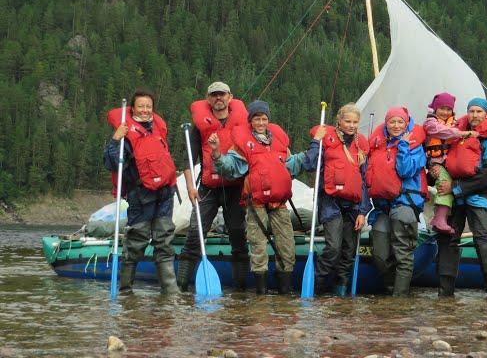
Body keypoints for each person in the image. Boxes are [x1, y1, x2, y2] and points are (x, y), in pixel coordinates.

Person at [209, 100, 324, 294]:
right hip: (256, 204)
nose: (261, 122)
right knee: (258, 246)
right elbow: (228, 167)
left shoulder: (278, 142)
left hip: (279, 203)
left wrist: (314, 146)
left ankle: (284, 291)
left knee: (286, 245)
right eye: (256, 119)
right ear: (251, 121)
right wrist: (215, 152)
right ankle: (261, 293)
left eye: (264, 118)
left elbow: (292, 165)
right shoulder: (242, 145)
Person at [176, 82, 250, 292]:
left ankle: (241, 292)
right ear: (208, 99)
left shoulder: (242, 124)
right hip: (208, 187)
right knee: (194, 236)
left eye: (222, 95)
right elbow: (187, 160)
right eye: (214, 95)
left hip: (235, 187)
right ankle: (182, 289)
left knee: (238, 236)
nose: (219, 98)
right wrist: (191, 188)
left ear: (230, 97)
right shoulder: (200, 126)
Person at [104, 90, 179, 294]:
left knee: (164, 242)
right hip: (140, 195)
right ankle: (126, 290)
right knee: (137, 243)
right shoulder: (125, 133)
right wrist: (115, 140)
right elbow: (110, 162)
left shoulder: (158, 130)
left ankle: (170, 292)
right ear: (133, 109)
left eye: (149, 107)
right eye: (141, 106)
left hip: (164, 194)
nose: (145, 110)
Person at [435, 97, 487, 299]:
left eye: (478, 111)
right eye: (471, 111)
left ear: (486, 114)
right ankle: (445, 293)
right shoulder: (461, 137)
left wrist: (455, 188)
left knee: (481, 240)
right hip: (457, 200)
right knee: (448, 239)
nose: (474, 115)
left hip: (478, 200)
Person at [303, 103, 369, 296]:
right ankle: (316, 290)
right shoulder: (326, 139)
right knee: (333, 249)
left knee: (348, 252)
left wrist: (363, 212)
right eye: (347, 121)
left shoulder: (360, 146)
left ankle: (340, 293)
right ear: (339, 121)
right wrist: (316, 141)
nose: (351, 125)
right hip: (330, 202)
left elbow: (364, 181)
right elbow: (309, 164)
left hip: (353, 206)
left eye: (355, 122)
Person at [364, 106, 428, 296]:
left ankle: (399, 300)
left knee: (403, 253)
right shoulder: (378, 147)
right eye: (392, 121)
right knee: (380, 255)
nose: (396, 125)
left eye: (400, 121)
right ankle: (391, 290)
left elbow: (405, 170)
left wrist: (402, 147)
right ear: (386, 123)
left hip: (405, 204)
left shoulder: (415, 147)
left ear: (407, 123)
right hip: (383, 207)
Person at [423, 92, 478, 235]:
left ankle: (440, 218)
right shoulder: (430, 123)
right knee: (444, 184)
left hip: (448, 164)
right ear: (435, 109)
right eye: (441, 108)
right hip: (436, 163)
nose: (445, 112)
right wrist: (462, 133)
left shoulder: (454, 124)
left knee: (450, 187)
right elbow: (444, 133)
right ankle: (439, 219)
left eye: (448, 109)